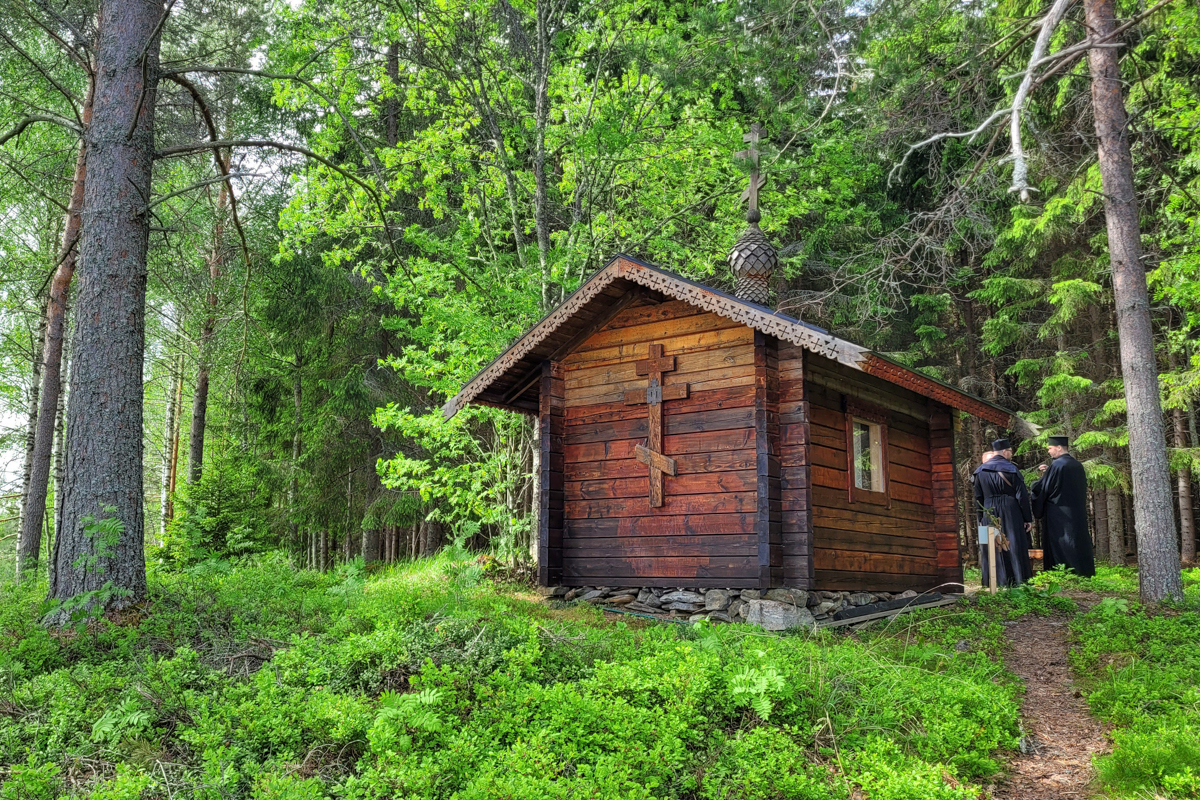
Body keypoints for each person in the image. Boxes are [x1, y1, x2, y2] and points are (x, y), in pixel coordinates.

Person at [973, 439, 1035, 587]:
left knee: (991, 545)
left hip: (988, 509)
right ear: (1005, 452)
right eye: (1010, 452)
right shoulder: (1012, 469)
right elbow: (1022, 497)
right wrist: (1028, 518)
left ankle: (993, 582)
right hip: (1010, 509)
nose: (1011, 455)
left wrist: (980, 518)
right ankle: (1018, 580)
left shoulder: (980, 471)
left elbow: (978, 497)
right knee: (1013, 543)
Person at [1032, 435, 1096, 577]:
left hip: (1058, 513)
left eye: (1050, 448)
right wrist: (1047, 473)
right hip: (1076, 512)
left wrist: (1036, 484)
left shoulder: (1056, 465)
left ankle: (1061, 573)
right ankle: (1082, 572)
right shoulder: (1076, 465)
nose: (1048, 451)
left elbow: (1044, 489)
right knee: (1076, 541)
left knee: (1061, 542)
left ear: (1059, 448)